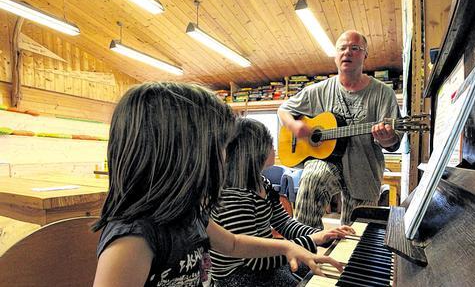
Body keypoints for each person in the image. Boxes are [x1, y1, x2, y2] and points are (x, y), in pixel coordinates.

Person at [91, 82, 343, 287]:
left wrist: (288, 246)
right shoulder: (134, 239)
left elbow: (233, 243)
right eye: (220, 146)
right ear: (182, 155)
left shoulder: (188, 213)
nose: (225, 156)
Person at [277, 30, 402, 229]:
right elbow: (283, 110)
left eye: (355, 48)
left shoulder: (383, 93)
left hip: (364, 168)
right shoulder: (319, 90)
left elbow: (393, 141)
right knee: (311, 180)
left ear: (365, 55)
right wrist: (294, 125)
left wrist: (386, 138)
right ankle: (306, 250)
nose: (347, 53)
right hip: (326, 161)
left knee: (357, 231)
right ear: (335, 56)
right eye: (342, 48)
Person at [210, 118, 355, 287]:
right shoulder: (233, 196)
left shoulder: (262, 183)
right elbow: (255, 260)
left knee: (320, 268)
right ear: (254, 150)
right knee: (314, 276)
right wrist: (312, 239)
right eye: (270, 143)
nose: (274, 148)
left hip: (265, 263)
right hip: (240, 276)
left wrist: (323, 235)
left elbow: (284, 222)